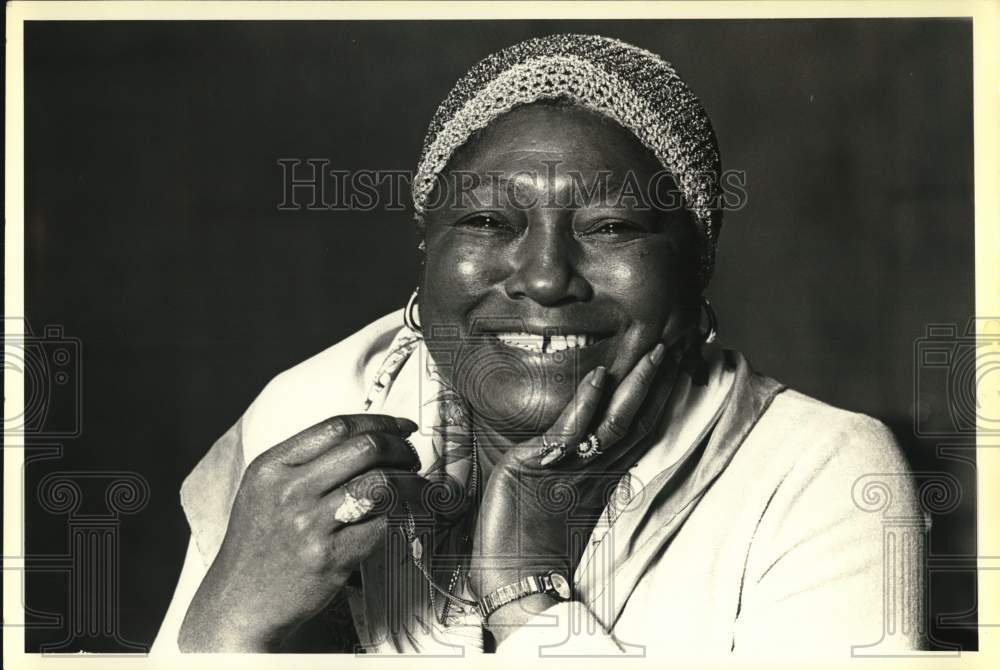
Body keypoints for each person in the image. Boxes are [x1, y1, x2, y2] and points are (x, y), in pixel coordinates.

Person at [153, 33, 925, 656]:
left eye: (613, 227)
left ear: (697, 272)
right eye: (488, 222)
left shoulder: (822, 472)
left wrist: (525, 590)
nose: (547, 279)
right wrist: (226, 621)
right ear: (425, 253)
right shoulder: (314, 415)